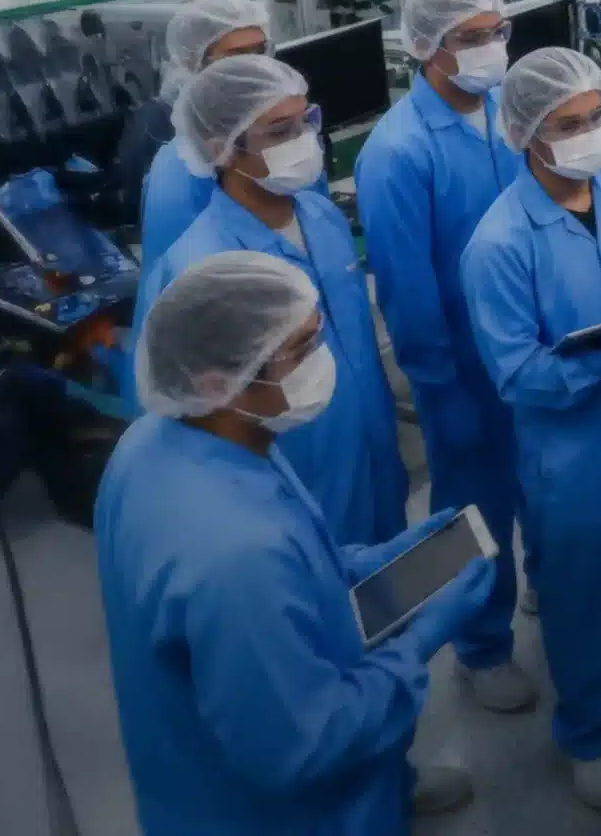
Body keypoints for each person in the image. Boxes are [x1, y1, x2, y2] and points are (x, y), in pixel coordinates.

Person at [96, 252, 501, 832]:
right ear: (218, 381)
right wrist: (419, 643)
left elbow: (284, 573)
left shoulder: (167, 442)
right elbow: (306, 745)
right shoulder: (235, 554)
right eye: (303, 350)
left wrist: (365, 566)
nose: (323, 358)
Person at [458, 47, 601, 811]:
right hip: (574, 450)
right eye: (570, 123)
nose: (593, 133)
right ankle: (589, 730)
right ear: (526, 134)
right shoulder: (499, 244)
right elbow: (520, 374)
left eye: (597, 115)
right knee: (583, 589)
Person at [349, 0, 535, 715]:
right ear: (425, 49)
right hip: (459, 366)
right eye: (472, 37)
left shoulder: (501, 114)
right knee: (471, 512)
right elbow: (407, 290)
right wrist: (440, 386)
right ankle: (481, 646)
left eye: (499, 32)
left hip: (522, 350)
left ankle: (536, 592)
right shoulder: (398, 152)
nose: (493, 49)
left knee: (536, 486)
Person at [132, 56, 405, 547]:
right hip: (295, 472)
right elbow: (197, 415)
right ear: (223, 150)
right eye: (280, 132)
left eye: (307, 121)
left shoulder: (322, 216)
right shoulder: (205, 267)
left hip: (369, 448)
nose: (305, 140)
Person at [132, 0, 269, 272]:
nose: (255, 65)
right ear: (198, 61)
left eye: (260, 50)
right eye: (237, 55)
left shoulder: (266, 119)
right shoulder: (178, 159)